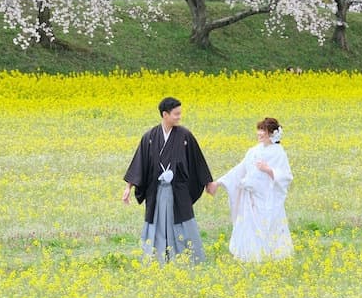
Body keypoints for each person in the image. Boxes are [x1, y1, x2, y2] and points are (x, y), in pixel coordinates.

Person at [123, 97, 216, 264]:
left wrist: (209, 183)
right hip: (156, 190)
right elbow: (140, 163)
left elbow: (197, 161)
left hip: (178, 191)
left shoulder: (185, 136)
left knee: (183, 222)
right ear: (165, 114)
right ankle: (157, 257)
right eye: (176, 114)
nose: (179, 117)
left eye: (180, 113)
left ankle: (188, 257)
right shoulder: (150, 137)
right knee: (157, 223)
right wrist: (128, 187)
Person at [215, 117, 294, 262]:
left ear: (271, 133)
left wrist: (268, 169)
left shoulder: (278, 153)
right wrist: (219, 182)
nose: (259, 134)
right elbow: (240, 169)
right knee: (249, 225)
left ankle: (270, 254)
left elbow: (286, 176)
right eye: (259, 130)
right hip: (251, 198)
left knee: (268, 225)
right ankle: (250, 254)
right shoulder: (253, 151)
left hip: (268, 198)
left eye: (263, 131)